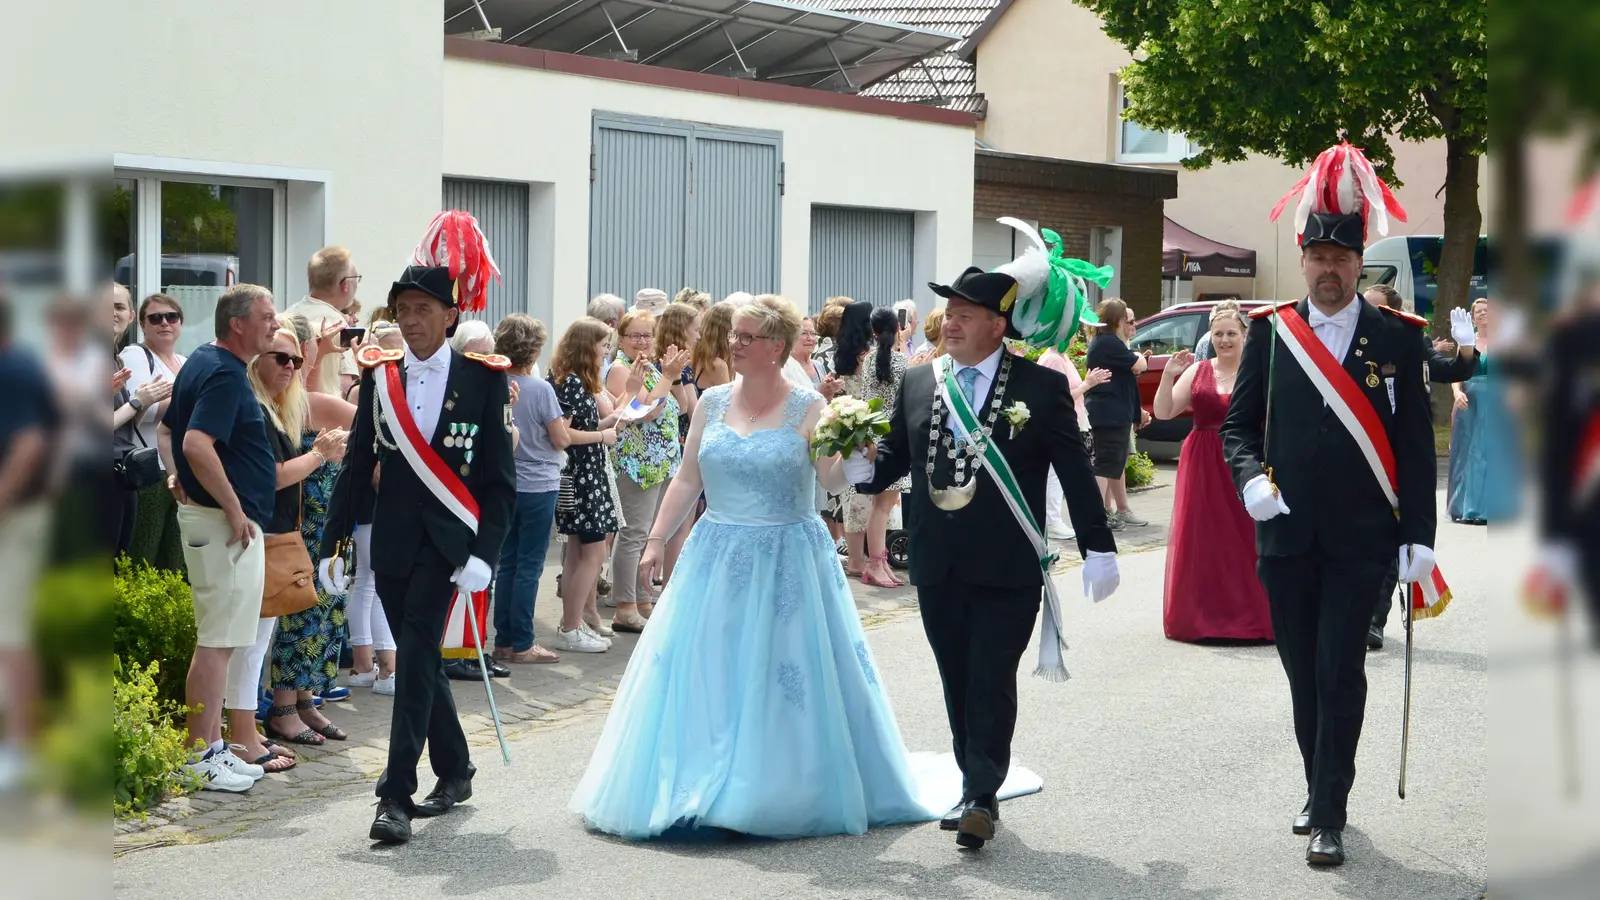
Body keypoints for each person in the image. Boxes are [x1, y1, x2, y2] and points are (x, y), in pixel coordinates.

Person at [572, 295, 940, 839]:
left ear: (776, 347)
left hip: (790, 554)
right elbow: (687, 479)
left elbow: (833, 481)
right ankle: (701, 775)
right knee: (710, 664)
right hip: (716, 551)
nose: (734, 343)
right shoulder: (713, 401)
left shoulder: (810, 406)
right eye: (735, 335)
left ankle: (775, 785)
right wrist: (654, 539)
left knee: (782, 666)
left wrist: (857, 457)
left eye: (747, 337)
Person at [846, 253, 1121, 850]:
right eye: (949, 312)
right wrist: (859, 466)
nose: (950, 323)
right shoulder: (921, 380)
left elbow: (1075, 472)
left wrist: (1098, 547)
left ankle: (979, 793)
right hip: (937, 560)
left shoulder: (1040, 387)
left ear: (998, 324)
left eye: (965, 315)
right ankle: (977, 782)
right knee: (956, 676)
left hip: (1008, 564)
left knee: (990, 675)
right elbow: (895, 458)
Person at [1221, 142, 1436, 867]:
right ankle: (1318, 784)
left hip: (1361, 539)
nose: (1329, 269)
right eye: (1317, 256)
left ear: (1359, 262)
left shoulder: (1396, 341)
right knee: (1301, 671)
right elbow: (1238, 425)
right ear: (1303, 259)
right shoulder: (1271, 333)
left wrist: (1419, 536)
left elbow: (1413, 444)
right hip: (1284, 536)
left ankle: (1330, 813)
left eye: (1341, 258)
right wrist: (1249, 477)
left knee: (1340, 668)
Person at [317, 213, 516, 846]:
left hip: (450, 546)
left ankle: (393, 795)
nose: (409, 319)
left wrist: (487, 553)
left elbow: (498, 482)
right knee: (424, 657)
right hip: (395, 542)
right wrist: (334, 540)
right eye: (402, 308)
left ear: (449, 315)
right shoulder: (381, 377)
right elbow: (357, 466)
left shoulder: (484, 381)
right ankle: (455, 767)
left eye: (422, 308)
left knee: (413, 659)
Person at [157, 283, 281, 793]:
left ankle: (211, 747)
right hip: (224, 524)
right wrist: (233, 509)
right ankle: (196, 755)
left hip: (217, 520)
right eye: (268, 317)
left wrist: (176, 476)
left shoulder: (204, 362)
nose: (275, 325)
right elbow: (192, 441)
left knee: (225, 641)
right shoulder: (225, 372)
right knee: (216, 643)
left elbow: (168, 433)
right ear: (239, 323)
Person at [236, 322, 345, 771]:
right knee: (250, 639)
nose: (291, 367)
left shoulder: (280, 405)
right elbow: (273, 476)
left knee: (262, 636)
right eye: (283, 358)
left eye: (296, 360)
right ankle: (251, 730)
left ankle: (257, 727)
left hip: (286, 530)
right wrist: (320, 453)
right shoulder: (257, 407)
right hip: (267, 533)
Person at [1363, 284, 1480, 649]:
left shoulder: (1411, 341)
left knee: (1388, 536)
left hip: (1399, 453)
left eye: (1376, 309)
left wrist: (1465, 345)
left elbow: (1452, 368)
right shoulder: (1350, 341)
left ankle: (1375, 618)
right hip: (1360, 451)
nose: (1368, 314)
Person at [1153, 302, 1272, 642]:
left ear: (1245, 336)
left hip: (1245, 461)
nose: (1224, 340)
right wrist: (1168, 376)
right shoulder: (1198, 370)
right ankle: (1203, 617)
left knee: (1246, 537)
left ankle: (1253, 616)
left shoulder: (1259, 371)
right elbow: (1164, 411)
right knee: (1205, 538)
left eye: (1231, 333)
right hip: (1202, 461)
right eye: (1218, 334)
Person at [264, 313, 356, 743]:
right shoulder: (302, 403)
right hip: (303, 524)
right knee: (300, 612)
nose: (297, 363)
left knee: (326, 610)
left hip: (330, 521)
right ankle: (284, 707)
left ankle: (305, 701)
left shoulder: (306, 397)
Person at [0, 296, 60, 790]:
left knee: (11, 632)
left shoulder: (13, 367)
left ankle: (22, 747)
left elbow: (28, 445)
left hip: (16, 516)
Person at [603, 310, 690, 629]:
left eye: (647, 335)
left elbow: (681, 407)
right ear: (621, 339)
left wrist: (675, 375)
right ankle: (624, 605)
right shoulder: (620, 368)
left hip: (662, 461)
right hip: (638, 464)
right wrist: (666, 377)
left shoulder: (652, 367)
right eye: (634, 336)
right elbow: (642, 411)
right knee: (634, 534)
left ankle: (642, 599)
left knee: (652, 534)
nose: (641, 342)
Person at [491, 314, 564, 665]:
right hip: (539, 485)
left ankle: (504, 639)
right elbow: (560, 437)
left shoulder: (492, 383)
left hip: (505, 483)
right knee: (530, 565)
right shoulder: (541, 389)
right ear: (534, 351)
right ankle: (522, 641)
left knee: (507, 563)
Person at [548, 318, 621, 653]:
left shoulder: (569, 380)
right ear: (587, 346)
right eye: (603, 345)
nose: (606, 352)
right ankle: (571, 626)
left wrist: (606, 423)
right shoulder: (573, 383)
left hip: (582, 475)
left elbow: (577, 424)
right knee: (592, 552)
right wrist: (602, 435)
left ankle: (572, 624)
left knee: (580, 552)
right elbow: (564, 434)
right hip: (583, 477)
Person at [343, 321, 403, 693]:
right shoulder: (366, 391)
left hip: (375, 498)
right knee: (378, 582)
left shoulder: (372, 388)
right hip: (373, 498)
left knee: (367, 582)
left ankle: (366, 666)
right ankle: (387, 669)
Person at [835, 303, 909, 586]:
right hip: (894, 440)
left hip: (873, 436)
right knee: (883, 508)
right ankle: (876, 565)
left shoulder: (868, 360)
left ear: (874, 332)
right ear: (897, 329)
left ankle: (877, 564)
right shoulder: (901, 361)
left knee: (878, 506)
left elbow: (866, 399)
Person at [122, 292, 186, 571]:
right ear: (143, 325)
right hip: (150, 469)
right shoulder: (135, 355)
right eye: (155, 317)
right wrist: (191, 402)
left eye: (171, 317)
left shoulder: (184, 362)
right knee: (143, 555)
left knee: (176, 558)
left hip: (181, 469)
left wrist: (173, 402)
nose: (164, 323)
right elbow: (143, 409)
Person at [1447, 298, 1516, 525]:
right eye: (1479, 312)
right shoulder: (1468, 341)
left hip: (1497, 400)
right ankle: (1468, 508)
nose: (1483, 314)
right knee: (1470, 454)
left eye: (1487, 310)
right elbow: (1457, 373)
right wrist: (1457, 394)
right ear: (1473, 316)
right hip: (1471, 401)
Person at [1084, 299, 1150, 529]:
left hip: (1112, 412)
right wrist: (1138, 356)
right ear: (1118, 320)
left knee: (1112, 463)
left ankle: (1108, 512)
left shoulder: (1104, 342)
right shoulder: (1110, 342)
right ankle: (1098, 514)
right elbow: (1139, 364)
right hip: (1109, 414)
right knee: (1105, 464)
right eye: (1126, 319)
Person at [1038, 345, 1109, 542]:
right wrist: (1088, 384)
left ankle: (1054, 520)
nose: (1073, 339)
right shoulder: (1053, 359)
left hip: (1073, 420)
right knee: (1053, 474)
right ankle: (1052, 521)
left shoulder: (1062, 357)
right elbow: (1058, 396)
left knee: (1058, 475)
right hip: (1059, 423)